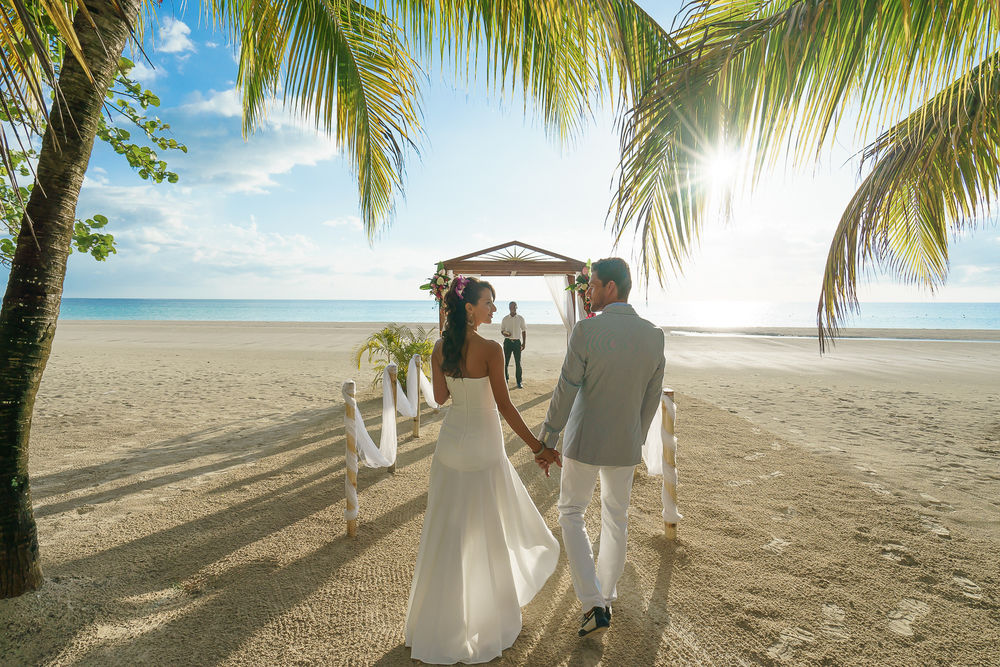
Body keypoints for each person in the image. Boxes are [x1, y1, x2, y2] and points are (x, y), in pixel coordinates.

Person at [405, 276, 562, 664]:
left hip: (450, 446)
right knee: (487, 530)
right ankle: (487, 616)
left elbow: (440, 399)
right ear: (470, 307)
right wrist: (538, 447)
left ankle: (437, 625)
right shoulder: (491, 349)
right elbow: (506, 408)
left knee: (447, 531)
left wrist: (448, 376)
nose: (494, 308)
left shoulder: (441, 347)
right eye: (488, 302)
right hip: (484, 448)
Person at [537, 258, 665, 638]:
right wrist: (635, 439)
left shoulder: (586, 331)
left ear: (610, 288)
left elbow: (566, 388)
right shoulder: (654, 335)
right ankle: (604, 598)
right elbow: (651, 398)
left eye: (591, 285)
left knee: (571, 512)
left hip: (584, 440)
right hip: (625, 443)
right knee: (616, 518)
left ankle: (593, 602)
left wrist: (548, 439)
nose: (586, 291)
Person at [500, 301, 527, 388]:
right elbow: (502, 330)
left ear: (516, 307)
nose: (513, 308)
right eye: (511, 307)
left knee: (518, 363)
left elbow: (523, 330)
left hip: (517, 343)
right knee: (505, 363)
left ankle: (519, 382)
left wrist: (524, 343)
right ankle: (506, 380)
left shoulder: (520, 318)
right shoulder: (505, 319)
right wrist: (504, 334)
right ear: (509, 308)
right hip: (507, 342)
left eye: (514, 307)